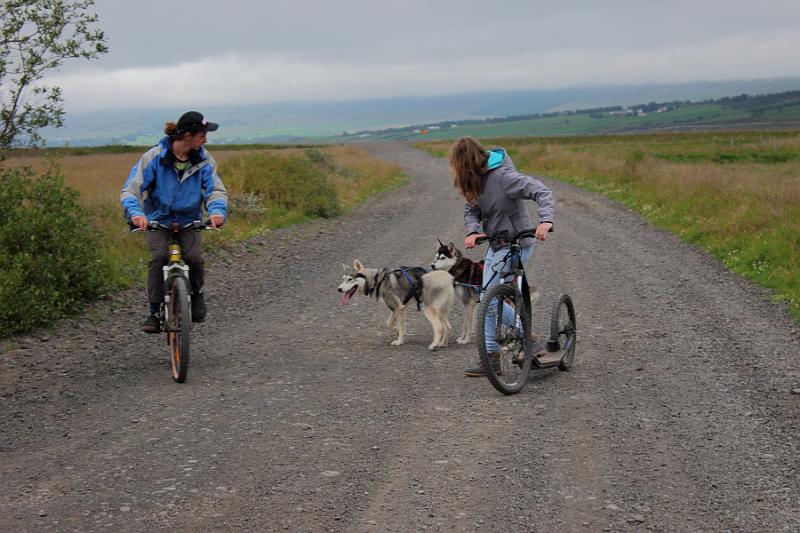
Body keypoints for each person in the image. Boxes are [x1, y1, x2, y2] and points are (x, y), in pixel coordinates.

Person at [450, 136, 554, 377]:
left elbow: (541, 191)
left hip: (518, 242)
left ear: (467, 162)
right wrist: (473, 229)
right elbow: (472, 209)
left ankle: (526, 334)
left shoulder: (504, 177)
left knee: (488, 298)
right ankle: (492, 360)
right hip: (496, 244)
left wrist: (546, 221)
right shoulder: (474, 181)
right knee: (487, 298)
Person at [120, 111, 228, 333]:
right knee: (159, 257)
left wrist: (217, 212)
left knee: (194, 259)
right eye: (202, 135)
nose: (205, 140)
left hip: (190, 220)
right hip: (158, 220)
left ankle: (196, 294)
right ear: (188, 136)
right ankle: (154, 311)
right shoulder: (154, 157)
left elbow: (215, 190)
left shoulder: (204, 160)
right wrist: (136, 214)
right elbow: (131, 190)